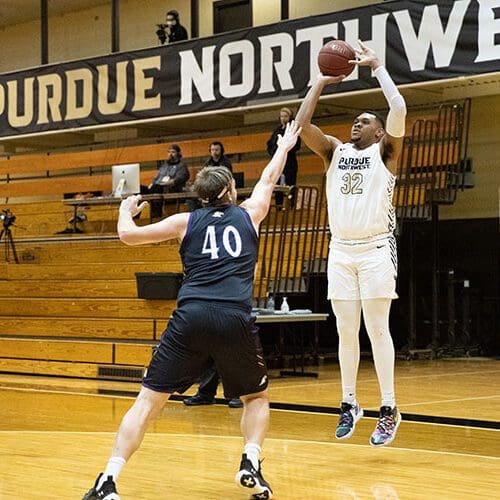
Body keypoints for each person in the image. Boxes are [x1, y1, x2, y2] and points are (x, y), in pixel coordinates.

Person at [82, 121, 301, 500]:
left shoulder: (186, 221)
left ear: (200, 196)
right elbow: (268, 178)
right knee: (256, 398)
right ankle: (250, 460)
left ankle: (109, 480)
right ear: (230, 191)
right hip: (234, 315)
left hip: (192, 315)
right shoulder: (250, 213)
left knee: (148, 401)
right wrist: (283, 147)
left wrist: (124, 209)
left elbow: (127, 236)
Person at [295, 40, 406, 447]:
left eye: (364, 121)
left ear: (379, 131)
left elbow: (400, 110)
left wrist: (378, 68)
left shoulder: (386, 153)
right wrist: (319, 83)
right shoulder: (335, 152)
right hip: (340, 249)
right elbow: (303, 128)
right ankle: (349, 403)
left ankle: (389, 408)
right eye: (354, 122)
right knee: (346, 331)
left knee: (377, 330)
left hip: (376, 247)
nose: (355, 125)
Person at [142, 144, 190, 219]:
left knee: (156, 189)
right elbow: (156, 178)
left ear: (178, 153)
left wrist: (170, 182)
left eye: (173, 152)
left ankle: (156, 217)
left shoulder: (182, 166)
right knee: (140, 189)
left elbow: (181, 178)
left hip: (171, 189)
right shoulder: (164, 166)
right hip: (157, 187)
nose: (170, 154)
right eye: (169, 152)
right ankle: (135, 218)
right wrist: (151, 184)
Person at [266, 107, 301, 207]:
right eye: (281, 116)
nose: (283, 118)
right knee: (277, 184)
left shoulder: (293, 129)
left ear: (290, 117)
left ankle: (291, 206)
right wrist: (274, 153)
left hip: (289, 162)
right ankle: (278, 206)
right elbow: (270, 144)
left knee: (291, 184)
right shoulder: (277, 131)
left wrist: (285, 149)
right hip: (278, 161)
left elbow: (297, 145)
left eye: (285, 116)